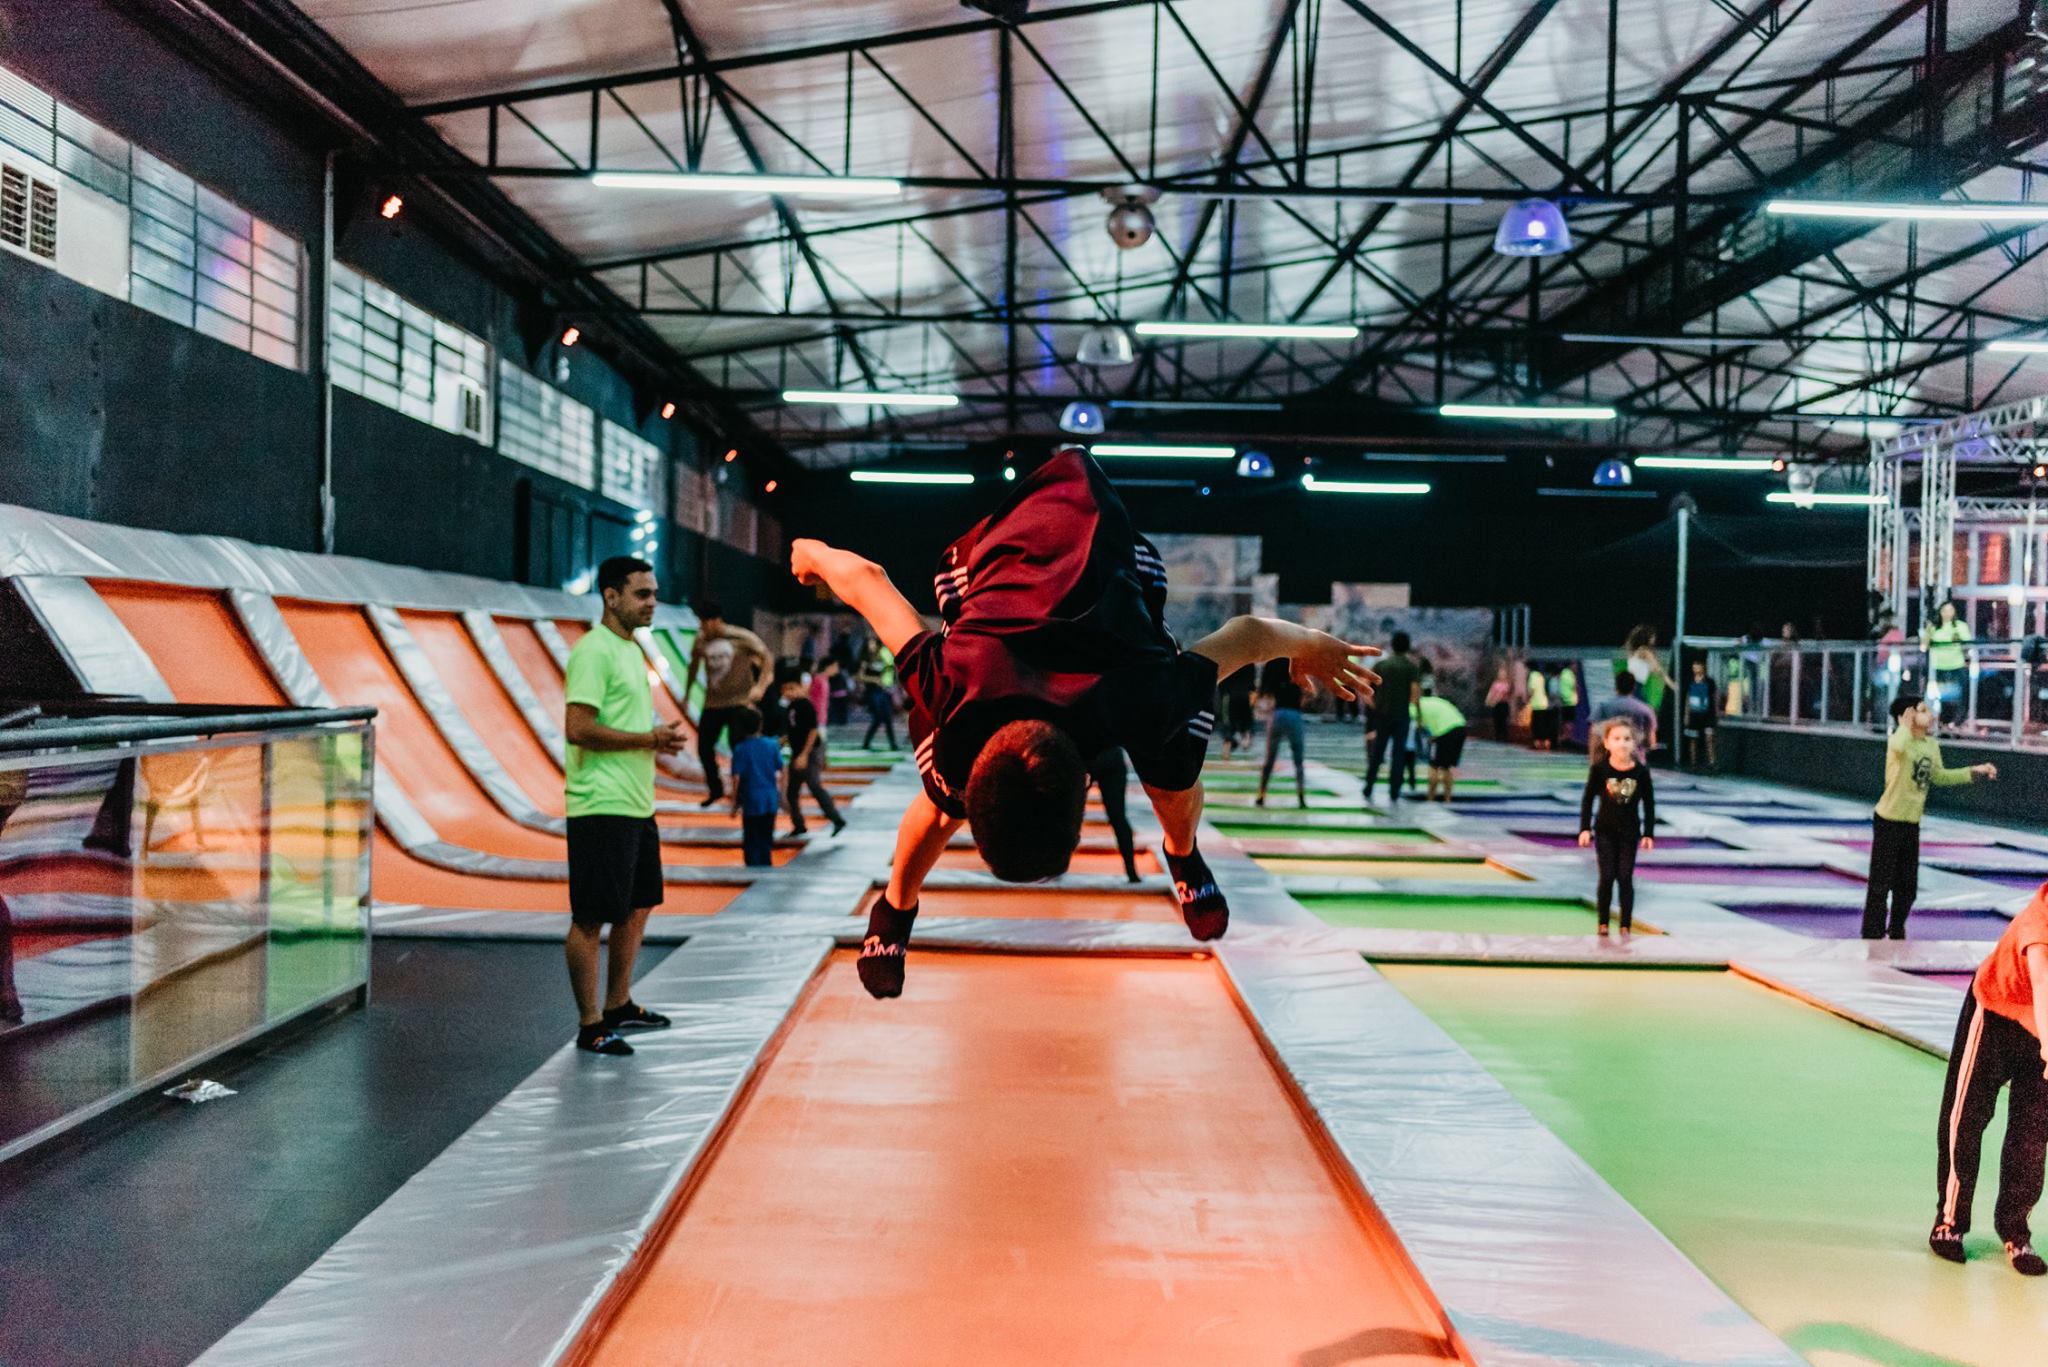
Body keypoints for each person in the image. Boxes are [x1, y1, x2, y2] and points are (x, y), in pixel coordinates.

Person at [789, 447, 1376, 999]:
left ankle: (1182, 850)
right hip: (1019, 578)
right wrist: (810, 553)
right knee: (945, 800)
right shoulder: (959, 681)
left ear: (1090, 784)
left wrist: (1312, 644)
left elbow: (1248, 635)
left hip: (1107, 567)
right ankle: (894, 907)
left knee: (1167, 775)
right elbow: (862, 577)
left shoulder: (1131, 690)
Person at [562, 556, 684, 1057]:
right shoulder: (594, 652)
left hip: (635, 804)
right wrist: (648, 739)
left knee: (639, 905)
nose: (652, 602)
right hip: (600, 804)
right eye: (642, 594)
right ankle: (591, 1024)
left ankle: (618, 1004)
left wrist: (654, 740)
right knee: (591, 917)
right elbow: (579, 728)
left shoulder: (632, 651)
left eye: (654, 593)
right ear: (611, 597)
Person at [1928, 882, 2048, 1278]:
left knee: (2032, 1136)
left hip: (2041, 1033)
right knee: (1967, 1117)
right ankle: (1950, 1222)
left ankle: (2015, 1230)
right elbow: (2044, 986)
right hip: (1995, 1017)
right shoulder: (2039, 923)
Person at [1863, 694, 1997, 940]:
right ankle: (1871, 934)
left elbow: (1939, 776)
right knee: (1880, 885)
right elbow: (1898, 746)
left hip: (1911, 823)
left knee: (1907, 888)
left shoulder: (1930, 745)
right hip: (1888, 819)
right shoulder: (1899, 740)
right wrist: (1904, 725)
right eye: (1924, 711)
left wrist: (1972, 772)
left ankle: (1896, 930)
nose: (1932, 716)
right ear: (1909, 715)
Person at [682, 601, 773, 809]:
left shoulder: (740, 637)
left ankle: (741, 792)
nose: (702, 627)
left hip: (738, 702)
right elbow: (693, 666)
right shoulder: (701, 640)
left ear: (715, 621)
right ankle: (716, 789)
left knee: (738, 749)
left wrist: (760, 686)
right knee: (704, 748)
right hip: (713, 703)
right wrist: (687, 694)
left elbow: (766, 657)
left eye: (704, 623)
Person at [1578, 717, 1656, 937]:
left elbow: (1649, 804)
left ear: (1634, 743)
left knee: (1625, 877)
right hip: (1605, 831)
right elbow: (1588, 799)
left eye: (1627, 739)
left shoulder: (1640, 772)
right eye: (1617, 739)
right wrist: (1585, 828)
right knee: (1607, 876)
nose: (1622, 743)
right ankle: (1603, 923)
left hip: (1630, 833)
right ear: (1607, 743)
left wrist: (1649, 833)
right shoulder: (1600, 769)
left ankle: (1625, 924)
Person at [779, 667, 845, 839]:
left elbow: (813, 731)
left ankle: (837, 819)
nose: (788, 692)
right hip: (798, 752)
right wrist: (784, 740)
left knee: (814, 786)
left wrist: (804, 755)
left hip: (809, 752)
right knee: (792, 792)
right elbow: (795, 729)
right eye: (785, 689)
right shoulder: (791, 707)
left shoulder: (805, 705)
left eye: (791, 688)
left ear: (801, 687)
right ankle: (799, 825)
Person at [1364, 632, 1422, 802]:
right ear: (1408, 646)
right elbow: (1415, 695)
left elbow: (1365, 688)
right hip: (1402, 715)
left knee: (1377, 752)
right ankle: (1394, 791)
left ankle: (1369, 786)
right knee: (1398, 755)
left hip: (1382, 715)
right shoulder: (1411, 667)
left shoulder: (1382, 665)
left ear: (1392, 645)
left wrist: (1375, 705)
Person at [727, 707, 782, 867]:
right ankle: (766, 866)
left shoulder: (741, 749)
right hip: (770, 797)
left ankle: (753, 867)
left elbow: (736, 778)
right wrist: (783, 795)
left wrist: (734, 803)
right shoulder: (772, 745)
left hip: (751, 798)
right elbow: (782, 769)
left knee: (751, 837)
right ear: (760, 724)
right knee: (766, 837)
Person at [1255, 655, 1307, 809]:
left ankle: (1261, 795)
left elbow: (1265, 691)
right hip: (1294, 714)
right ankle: (1301, 796)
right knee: (1298, 760)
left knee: (1269, 759)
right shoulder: (1297, 662)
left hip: (1277, 714)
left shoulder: (1273, 663)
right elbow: (1308, 692)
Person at [1090, 746, 1142, 883]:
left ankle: (1131, 870)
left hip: (1101, 757)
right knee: (1118, 818)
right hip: (1107, 756)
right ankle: (1132, 871)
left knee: (1118, 818)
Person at [1922, 598, 1974, 722]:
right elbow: (1924, 646)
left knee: (1958, 697)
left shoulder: (1960, 626)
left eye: (1950, 610)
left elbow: (1968, 645)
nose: (1947, 613)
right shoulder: (1934, 627)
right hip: (1938, 666)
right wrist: (1928, 632)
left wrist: (1959, 639)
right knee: (1940, 696)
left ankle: (1956, 722)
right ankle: (1941, 721)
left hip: (1956, 665)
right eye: (1944, 610)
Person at [1415, 689, 1467, 803]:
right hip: (1461, 727)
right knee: (1446, 767)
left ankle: (1430, 798)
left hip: (1446, 731)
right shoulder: (1431, 701)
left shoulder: (1413, 707)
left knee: (1434, 765)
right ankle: (1447, 799)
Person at [1592, 671, 1658, 760]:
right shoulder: (1646, 709)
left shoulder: (1604, 707)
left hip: (1610, 763)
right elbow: (1650, 742)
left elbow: (1595, 737)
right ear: (1634, 687)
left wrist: (1594, 762)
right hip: (1636, 763)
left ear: (1616, 686)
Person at [856, 638, 900, 750]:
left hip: (883, 690)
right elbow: (860, 676)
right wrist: (874, 679)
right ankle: (867, 742)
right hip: (872, 691)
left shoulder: (882, 657)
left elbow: (890, 669)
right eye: (870, 643)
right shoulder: (865, 659)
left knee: (887, 718)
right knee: (879, 716)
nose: (872, 646)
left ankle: (892, 744)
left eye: (873, 643)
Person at [1683, 659, 1719, 770]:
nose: (1696, 667)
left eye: (1698, 665)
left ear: (1703, 667)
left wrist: (1716, 713)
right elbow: (1688, 698)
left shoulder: (1710, 682)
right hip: (1694, 714)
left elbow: (1715, 697)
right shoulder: (1690, 681)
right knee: (1693, 739)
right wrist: (1686, 714)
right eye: (1694, 665)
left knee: (1709, 738)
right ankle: (1694, 763)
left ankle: (1712, 762)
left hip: (1708, 714)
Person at [1219, 665, 1256, 758]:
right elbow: (1252, 681)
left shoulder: (1230, 658)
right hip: (1244, 694)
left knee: (1228, 724)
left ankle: (1226, 750)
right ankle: (1246, 739)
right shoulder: (1249, 661)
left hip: (1230, 695)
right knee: (1246, 722)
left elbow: (1222, 678)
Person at [1526, 664, 1553, 750]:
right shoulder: (1540, 676)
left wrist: (1528, 699)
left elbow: (1532, 690)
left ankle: (1537, 743)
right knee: (1543, 724)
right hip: (1544, 703)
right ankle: (1546, 743)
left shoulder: (1532, 675)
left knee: (1536, 725)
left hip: (1537, 704)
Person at [1556, 661, 1582, 749]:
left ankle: (1564, 739)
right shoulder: (1569, 674)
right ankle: (1567, 739)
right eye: (1574, 665)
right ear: (1571, 665)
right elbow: (1575, 686)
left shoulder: (1562, 674)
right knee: (1569, 722)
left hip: (1564, 701)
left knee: (1565, 722)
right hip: (1570, 701)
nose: (1576, 667)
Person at [1486, 664, 1514, 740]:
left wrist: (1494, 701)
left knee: (1503, 721)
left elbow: (1502, 694)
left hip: (1503, 704)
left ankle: (1504, 736)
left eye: (1503, 674)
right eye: (1500, 673)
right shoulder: (1495, 683)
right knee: (1496, 721)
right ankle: (1497, 736)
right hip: (1496, 705)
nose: (1501, 675)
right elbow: (1491, 692)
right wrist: (1488, 700)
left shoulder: (1507, 684)